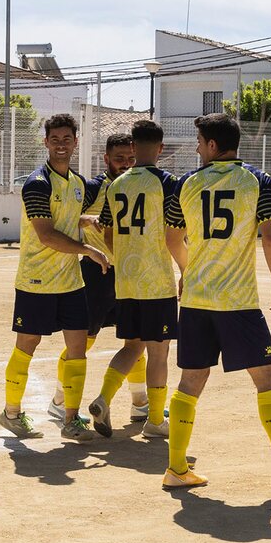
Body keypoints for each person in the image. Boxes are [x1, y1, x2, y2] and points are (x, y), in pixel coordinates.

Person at [161, 112, 271, 491]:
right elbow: (270, 236)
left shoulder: (184, 184)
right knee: (268, 379)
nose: (196, 149)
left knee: (190, 380)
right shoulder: (258, 180)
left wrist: (190, 272)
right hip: (236, 302)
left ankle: (176, 468)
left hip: (194, 301)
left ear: (211, 145)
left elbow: (173, 239)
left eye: (198, 142)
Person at [0, 113, 108, 442]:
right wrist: (88, 249)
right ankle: (11, 413)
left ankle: (71, 419)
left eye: (67, 139)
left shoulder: (77, 184)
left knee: (77, 348)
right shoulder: (36, 184)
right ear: (45, 143)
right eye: (55, 139)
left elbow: (67, 216)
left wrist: (85, 221)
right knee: (26, 346)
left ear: (76, 142)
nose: (61, 145)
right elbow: (46, 235)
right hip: (36, 282)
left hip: (70, 282)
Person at [87, 119, 184, 438]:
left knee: (132, 347)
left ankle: (103, 398)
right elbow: (175, 233)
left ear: (133, 146)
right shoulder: (168, 182)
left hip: (125, 280)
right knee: (159, 352)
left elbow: (109, 235)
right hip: (156, 281)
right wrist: (187, 270)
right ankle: (156, 420)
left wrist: (124, 260)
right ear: (160, 148)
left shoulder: (115, 185)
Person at [49, 132, 142, 425]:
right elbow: (65, 217)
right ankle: (59, 400)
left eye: (130, 158)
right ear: (106, 159)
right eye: (119, 159)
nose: (125, 164)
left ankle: (140, 402)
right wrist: (88, 221)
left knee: (134, 339)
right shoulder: (92, 188)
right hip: (96, 273)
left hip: (128, 274)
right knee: (84, 340)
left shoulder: (140, 186)